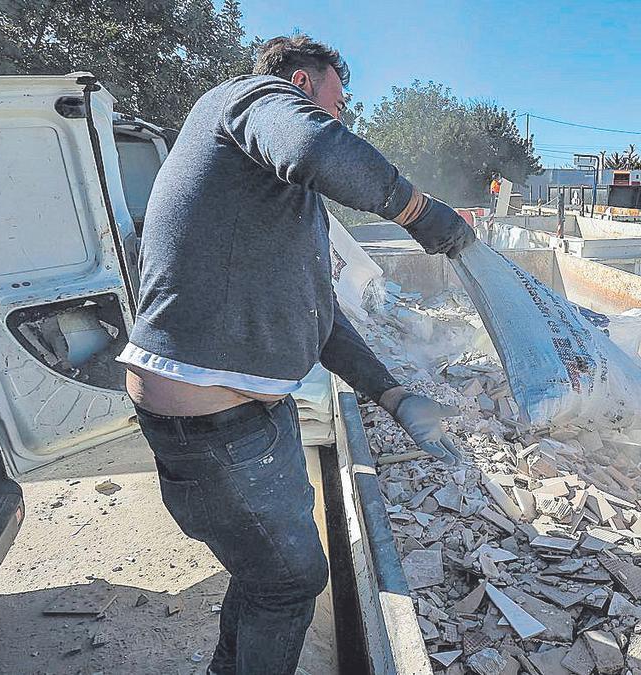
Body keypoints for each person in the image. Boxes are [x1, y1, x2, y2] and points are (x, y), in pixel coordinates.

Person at [119, 35, 476, 675]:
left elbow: (318, 315)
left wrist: (392, 393)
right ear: (301, 82)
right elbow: (315, 144)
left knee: (264, 576)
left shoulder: (278, 196)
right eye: (336, 100)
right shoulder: (249, 99)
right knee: (287, 582)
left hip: (255, 418)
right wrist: (420, 213)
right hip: (210, 425)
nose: (339, 116)